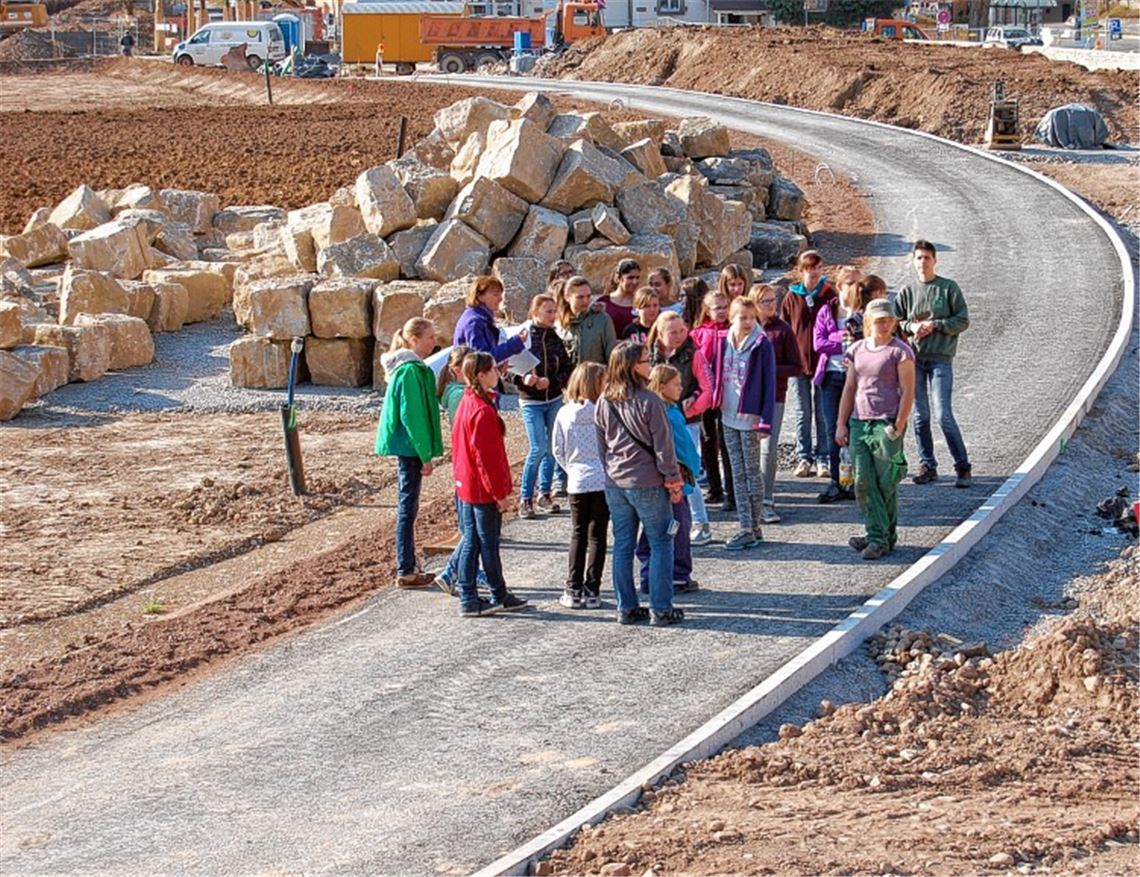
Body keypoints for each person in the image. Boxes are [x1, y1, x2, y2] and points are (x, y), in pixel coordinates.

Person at [595, 342, 686, 627]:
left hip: (615, 482)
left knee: (623, 545)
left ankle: (627, 607)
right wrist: (673, 480)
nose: (650, 365)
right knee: (661, 542)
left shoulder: (604, 401)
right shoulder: (650, 401)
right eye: (646, 361)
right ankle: (660, 608)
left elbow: (602, 448)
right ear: (633, 366)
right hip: (647, 481)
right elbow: (664, 447)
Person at [836, 299, 916, 560]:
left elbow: (907, 391)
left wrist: (899, 424)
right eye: (878, 319)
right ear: (868, 320)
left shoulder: (901, 352)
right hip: (859, 422)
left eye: (887, 319)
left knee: (886, 482)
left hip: (886, 423)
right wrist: (841, 423)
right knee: (861, 482)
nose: (883, 324)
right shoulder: (857, 349)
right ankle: (879, 537)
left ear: (894, 322)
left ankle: (880, 537)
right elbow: (849, 388)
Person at [451, 351, 529, 616]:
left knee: (474, 540)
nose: (498, 373)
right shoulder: (482, 411)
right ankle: (475, 597)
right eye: (494, 369)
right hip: (481, 489)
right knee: (486, 543)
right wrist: (500, 493)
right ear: (482, 375)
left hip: (467, 485)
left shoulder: (468, 402)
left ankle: (490, 594)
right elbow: (487, 459)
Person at [895, 239, 972, 488]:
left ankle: (962, 466)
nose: (923, 262)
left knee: (943, 414)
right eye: (919, 258)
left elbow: (962, 320)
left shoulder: (948, 288)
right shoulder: (907, 291)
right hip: (914, 360)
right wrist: (912, 326)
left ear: (935, 260)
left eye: (927, 257)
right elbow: (896, 323)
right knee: (920, 415)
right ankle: (928, 464)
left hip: (941, 360)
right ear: (913, 261)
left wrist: (936, 325)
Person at [375, 317, 444, 589]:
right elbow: (412, 415)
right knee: (407, 508)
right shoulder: (411, 371)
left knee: (408, 506)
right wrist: (425, 454)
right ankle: (406, 568)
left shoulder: (405, 369)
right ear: (414, 339)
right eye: (429, 337)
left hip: (407, 447)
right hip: (410, 449)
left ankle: (409, 566)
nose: (433, 342)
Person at [647, 311, 714, 546]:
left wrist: (688, 410)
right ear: (660, 334)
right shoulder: (651, 355)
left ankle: (701, 521)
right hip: (657, 421)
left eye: (682, 331)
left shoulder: (693, 354)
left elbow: (708, 389)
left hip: (687, 422)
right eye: (672, 332)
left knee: (687, 470)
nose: (678, 336)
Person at [716, 297, 776, 551]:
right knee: (736, 472)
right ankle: (748, 525)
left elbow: (769, 383)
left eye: (752, 317)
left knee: (751, 473)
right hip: (728, 415)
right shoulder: (723, 341)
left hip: (750, 419)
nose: (748, 322)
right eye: (743, 317)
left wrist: (766, 421)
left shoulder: (762, 344)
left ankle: (749, 526)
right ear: (732, 317)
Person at [551, 362, 609, 610]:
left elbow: (557, 449)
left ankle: (572, 588)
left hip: (577, 479)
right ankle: (593, 588)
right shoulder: (604, 411)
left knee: (578, 533)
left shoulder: (564, 413)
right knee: (598, 536)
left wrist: (571, 469)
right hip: (603, 478)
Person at [640, 364, 701, 594]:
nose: (681, 387)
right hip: (676, 482)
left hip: (651, 480)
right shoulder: (672, 415)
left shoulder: (646, 409)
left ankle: (648, 574)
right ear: (663, 386)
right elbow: (685, 449)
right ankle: (679, 575)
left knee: (652, 529)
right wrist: (695, 467)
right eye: (676, 383)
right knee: (678, 527)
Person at [514, 294, 572, 519]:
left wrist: (554, 382)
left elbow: (567, 368)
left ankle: (545, 494)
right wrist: (523, 379)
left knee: (551, 447)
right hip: (530, 401)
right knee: (537, 447)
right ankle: (525, 498)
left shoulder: (555, 338)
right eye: (548, 311)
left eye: (554, 311)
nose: (553, 315)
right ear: (535, 312)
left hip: (554, 398)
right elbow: (508, 368)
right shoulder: (524, 337)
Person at [781, 249, 836, 479]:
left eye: (817, 267)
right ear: (801, 270)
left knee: (823, 412)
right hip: (799, 363)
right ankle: (804, 457)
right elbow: (784, 329)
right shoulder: (791, 297)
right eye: (809, 268)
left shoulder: (830, 294)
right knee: (802, 412)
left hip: (824, 363)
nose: (814, 272)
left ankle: (823, 457)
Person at [813, 265, 864, 504]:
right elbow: (818, 343)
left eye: (858, 283)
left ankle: (855, 480)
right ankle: (836, 480)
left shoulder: (864, 312)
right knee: (833, 427)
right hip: (832, 376)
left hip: (858, 377)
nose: (855, 287)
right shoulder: (828, 310)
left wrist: (854, 340)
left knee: (855, 428)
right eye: (850, 283)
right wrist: (841, 339)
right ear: (840, 286)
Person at [752, 283, 803, 524]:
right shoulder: (746, 327)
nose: (771, 304)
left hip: (774, 397)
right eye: (765, 301)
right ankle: (747, 499)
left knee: (768, 448)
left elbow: (797, 366)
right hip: (746, 398)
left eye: (773, 300)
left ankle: (767, 500)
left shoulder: (783, 330)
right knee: (747, 449)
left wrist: (770, 370)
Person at [689, 290, 734, 510]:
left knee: (728, 443)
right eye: (718, 308)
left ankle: (732, 492)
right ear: (707, 310)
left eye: (725, 307)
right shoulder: (698, 334)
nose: (722, 312)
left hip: (729, 395)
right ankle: (714, 488)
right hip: (706, 396)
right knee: (708, 441)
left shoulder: (733, 331)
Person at [453, 275, 527, 364]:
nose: (500, 298)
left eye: (500, 294)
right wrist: (514, 343)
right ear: (480, 296)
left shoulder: (480, 318)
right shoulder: (474, 322)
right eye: (495, 294)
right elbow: (481, 360)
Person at [556, 275, 617, 366]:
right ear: (567, 297)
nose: (585, 301)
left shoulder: (602, 320)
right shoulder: (558, 324)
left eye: (588, 296)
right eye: (580, 297)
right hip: (569, 378)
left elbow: (612, 356)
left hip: (597, 377)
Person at [597, 258, 641, 338]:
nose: (635, 282)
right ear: (619, 278)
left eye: (637, 278)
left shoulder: (640, 302)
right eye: (630, 278)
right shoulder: (604, 302)